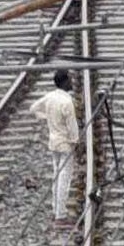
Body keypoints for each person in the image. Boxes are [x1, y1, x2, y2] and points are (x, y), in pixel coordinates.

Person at [30, 72, 81, 221]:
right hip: (65, 144)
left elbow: (33, 108)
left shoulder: (50, 96)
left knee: (56, 176)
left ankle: (55, 209)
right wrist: (76, 142)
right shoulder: (67, 101)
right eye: (69, 80)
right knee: (64, 179)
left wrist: (46, 117)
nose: (71, 82)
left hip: (53, 142)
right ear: (64, 82)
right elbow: (72, 126)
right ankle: (61, 215)